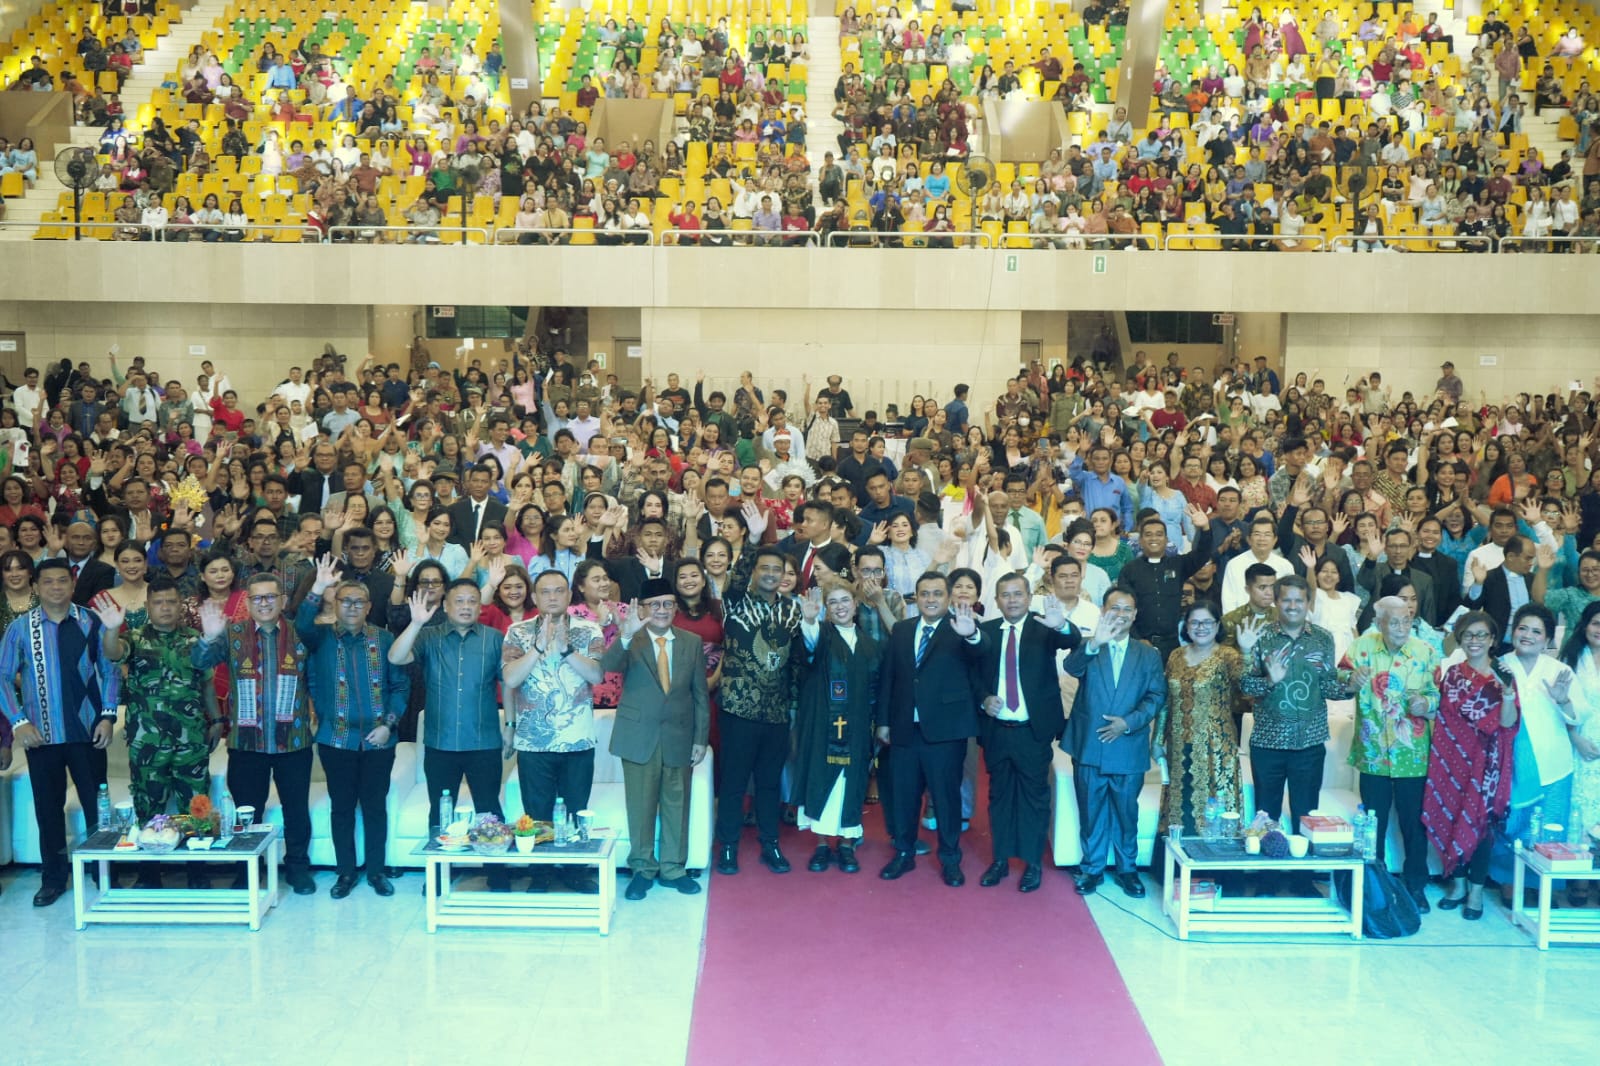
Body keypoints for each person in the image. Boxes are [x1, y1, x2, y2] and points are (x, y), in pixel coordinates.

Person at [0, 559, 119, 907]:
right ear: (36, 586)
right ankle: (54, 878)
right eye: (48, 582)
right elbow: (3, 678)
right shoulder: (21, 629)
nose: (55, 587)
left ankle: (104, 872)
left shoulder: (91, 621)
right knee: (48, 810)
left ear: (72, 583)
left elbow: (110, 672)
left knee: (97, 808)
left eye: (62, 581)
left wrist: (108, 716)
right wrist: (19, 721)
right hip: (41, 737)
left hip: (87, 733)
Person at [195, 573, 317, 896]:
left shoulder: (300, 633)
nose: (264, 603)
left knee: (296, 809)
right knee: (247, 810)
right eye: (257, 598)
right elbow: (199, 662)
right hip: (247, 744)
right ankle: (246, 869)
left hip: (293, 741)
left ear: (282, 601)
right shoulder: (232, 634)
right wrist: (207, 638)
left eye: (270, 597)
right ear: (247, 603)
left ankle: (298, 869)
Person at [387, 576, 511, 891]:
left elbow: (508, 682)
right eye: (460, 601)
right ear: (445, 606)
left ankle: (496, 871)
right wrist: (415, 623)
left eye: (472, 601)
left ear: (480, 605)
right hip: (440, 741)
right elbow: (395, 657)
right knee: (440, 809)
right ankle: (439, 872)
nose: (467, 606)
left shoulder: (495, 639)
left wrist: (510, 724)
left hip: (483, 739)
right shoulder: (428, 637)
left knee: (489, 809)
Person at [295, 558, 410, 899]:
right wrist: (318, 587)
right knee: (342, 808)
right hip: (336, 739)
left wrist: (389, 726)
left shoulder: (386, 639)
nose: (352, 607)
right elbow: (301, 622)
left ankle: (376, 872)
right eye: (345, 601)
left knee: (375, 807)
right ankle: (345, 872)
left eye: (359, 602)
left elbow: (399, 686)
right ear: (335, 603)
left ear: (369, 606)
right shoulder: (320, 638)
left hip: (379, 740)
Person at [95, 578, 218, 890]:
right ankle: (149, 872)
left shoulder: (195, 640)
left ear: (180, 605)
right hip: (147, 741)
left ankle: (197, 869)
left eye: (171, 602)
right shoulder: (134, 638)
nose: (165, 608)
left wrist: (217, 720)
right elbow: (113, 652)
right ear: (148, 606)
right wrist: (112, 628)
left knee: (196, 804)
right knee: (148, 805)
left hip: (190, 740)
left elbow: (206, 684)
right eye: (159, 602)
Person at [600, 577, 710, 900]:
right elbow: (606, 668)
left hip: (679, 735)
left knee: (677, 804)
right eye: (654, 605)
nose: (661, 611)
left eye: (667, 604)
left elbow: (700, 694)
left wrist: (700, 738)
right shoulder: (630, 639)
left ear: (676, 608)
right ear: (643, 609)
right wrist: (624, 634)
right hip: (638, 736)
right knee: (641, 805)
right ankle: (642, 869)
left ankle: (674, 869)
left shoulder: (691, 642)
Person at [1237, 576, 1351, 880]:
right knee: (1266, 814)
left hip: (1309, 743)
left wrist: (1350, 687)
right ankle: (1267, 880)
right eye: (1286, 599)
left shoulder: (1323, 639)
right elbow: (1244, 685)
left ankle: (1302, 880)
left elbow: (1327, 684)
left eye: (1299, 600)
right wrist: (1269, 680)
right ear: (1276, 601)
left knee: (1306, 814)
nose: (1292, 606)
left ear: (1308, 603)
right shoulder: (1260, 637)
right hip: (1267, 742)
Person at [501, 569, 606, 893]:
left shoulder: (589, 630)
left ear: (569, 595)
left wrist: (564, 649)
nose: (552, 597)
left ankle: (574, 871)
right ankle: (542, 872)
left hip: (577, 739)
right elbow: (511, 679)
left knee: (576, 807)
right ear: (534, 597)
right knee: (538, 810)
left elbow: (598, 674)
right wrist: (538, 647)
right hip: (534, 741)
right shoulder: (517, 632)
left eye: (559, 591)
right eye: (545, 592)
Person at [876, 571, 983, 885]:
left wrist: (972, 635)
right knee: (904, 796)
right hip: (904, 729)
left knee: (946, 797)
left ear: (948, 597)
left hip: (945, 732)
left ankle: (950, 859)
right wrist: (883, 721)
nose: (931, 599)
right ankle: (904, 854)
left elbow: (982, 652)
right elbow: (889, 679)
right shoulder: (902, 630)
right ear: (916, 597)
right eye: (925, 594)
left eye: (937, 593)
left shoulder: (961, 628)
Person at [975, 572, 1080, 892]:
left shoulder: (1043, 626)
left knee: (1035, 798)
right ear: (996, 600)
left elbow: (1071, 640)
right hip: (997, 731)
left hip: (1032, 732)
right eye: (1005, 595)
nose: (1012, 600)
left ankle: (1033, 862)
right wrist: (983, 698)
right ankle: (1001, 859)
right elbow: (972, 673)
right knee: (999, 796)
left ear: (1028, 596)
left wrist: (1060, 623)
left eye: (1018, 594)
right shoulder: (986, 632)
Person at [1061, 587, 1166, 898]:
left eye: (1127, 610)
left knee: (1126, 812)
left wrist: (1129, 723)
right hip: (1090, 745)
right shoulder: (1089, 646)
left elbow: (1157, 696)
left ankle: (1127, 869)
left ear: (1134, 616)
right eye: (1114, 608)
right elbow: (1071, 668)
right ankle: (1092, 869)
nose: (1120, 614)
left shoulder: (1148, 654)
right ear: (1103, 611)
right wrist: (1094, 643)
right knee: (1090, 811)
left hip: (1128, 746)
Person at [1341, 595, 1443, 912]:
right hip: (1373, 755)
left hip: (1413, 755)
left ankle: (1416, 886)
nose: (1401, 627)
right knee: (1374, 824)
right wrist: (1350, 680)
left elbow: (1439, 694)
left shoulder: (1426, 652)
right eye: (1394, 621)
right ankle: (1375, 885)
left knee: (1415, 825)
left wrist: (1426, 705)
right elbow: (1337, 682)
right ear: (1379, 622)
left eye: (1406, 621)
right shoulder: (1361, 647)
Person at [713, 540, 803, 875]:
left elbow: (795, 662)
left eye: (776, 569)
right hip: (738, 707)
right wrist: (749, 541)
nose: (769, 574)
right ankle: (728, 848)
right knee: (734, 782)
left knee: (769, 783)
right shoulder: (735, 602)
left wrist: (792, 705)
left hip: (777, 711)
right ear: (752, 572)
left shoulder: (792, 609)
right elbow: (734, 579)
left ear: (784, 575)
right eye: (763, 568)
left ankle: (771, 844)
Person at [1424, 611, 1518, 921]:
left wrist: (1506, 696)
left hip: (1487, 764)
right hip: (1453, 761)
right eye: (1468, 635)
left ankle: (1476, 891)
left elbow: (1507, 723)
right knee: (1452, 816)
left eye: (1481, 635)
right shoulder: (1453, 675)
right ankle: (1459, 884)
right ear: (1460, 639)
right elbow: (1447, 720)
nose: (1474, 640)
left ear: (1492, 640)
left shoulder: (1503, 675)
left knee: (1480, 825)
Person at [793, 578, 882, 873]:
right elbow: (807, 649)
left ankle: (846, 844)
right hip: (821, 725)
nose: (840, 607)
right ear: (826, 609)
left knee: (852, 784)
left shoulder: (871, 644)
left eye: (845, 600)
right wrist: (808, 619)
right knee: (821, 781)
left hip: (857, 728)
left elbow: (877, 689)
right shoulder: (821, 635)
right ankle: (821, 844)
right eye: (833, 602)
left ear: (855, 604)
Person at [1492, 603, 1577, 901]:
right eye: (1522, 628)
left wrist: (1563, 701)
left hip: (1553, 761)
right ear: (1513, 631)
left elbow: (1579, 716)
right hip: (1510, 761)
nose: (1527, 635)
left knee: (1551, 823)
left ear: (1548, 639)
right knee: (1512, 821)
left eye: (1536, 631)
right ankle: (1509, 880)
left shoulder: (1560, 670)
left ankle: (1545, 884)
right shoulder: (1499, 666)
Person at [1156, 600, 1245, 837]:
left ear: (1217, 626)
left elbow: (1246, 687)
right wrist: (1156, 742)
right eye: (1194, 622)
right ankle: (1175, 866)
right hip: (1178, 746)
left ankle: (1213, 867)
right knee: (1179, 806)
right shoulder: (1175, 656)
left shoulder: (1228, 655)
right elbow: (1165, 701)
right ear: (1186, 626)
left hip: (1215, 749)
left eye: (1207, 622)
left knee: (1214, 810)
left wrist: (1246, 652)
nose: (1201, 627)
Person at [1118, 507, 1212, 660]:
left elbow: (1202, 554)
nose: (1154, 538)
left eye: (1159, 534)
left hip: (1172, 645)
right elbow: (1123, 610)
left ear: (1167, 539)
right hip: (1138, 644)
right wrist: (1137, 639)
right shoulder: (1129, 570)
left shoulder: (1178, 564)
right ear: (1140, 541)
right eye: (1148, 535)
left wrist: (1205, 528)